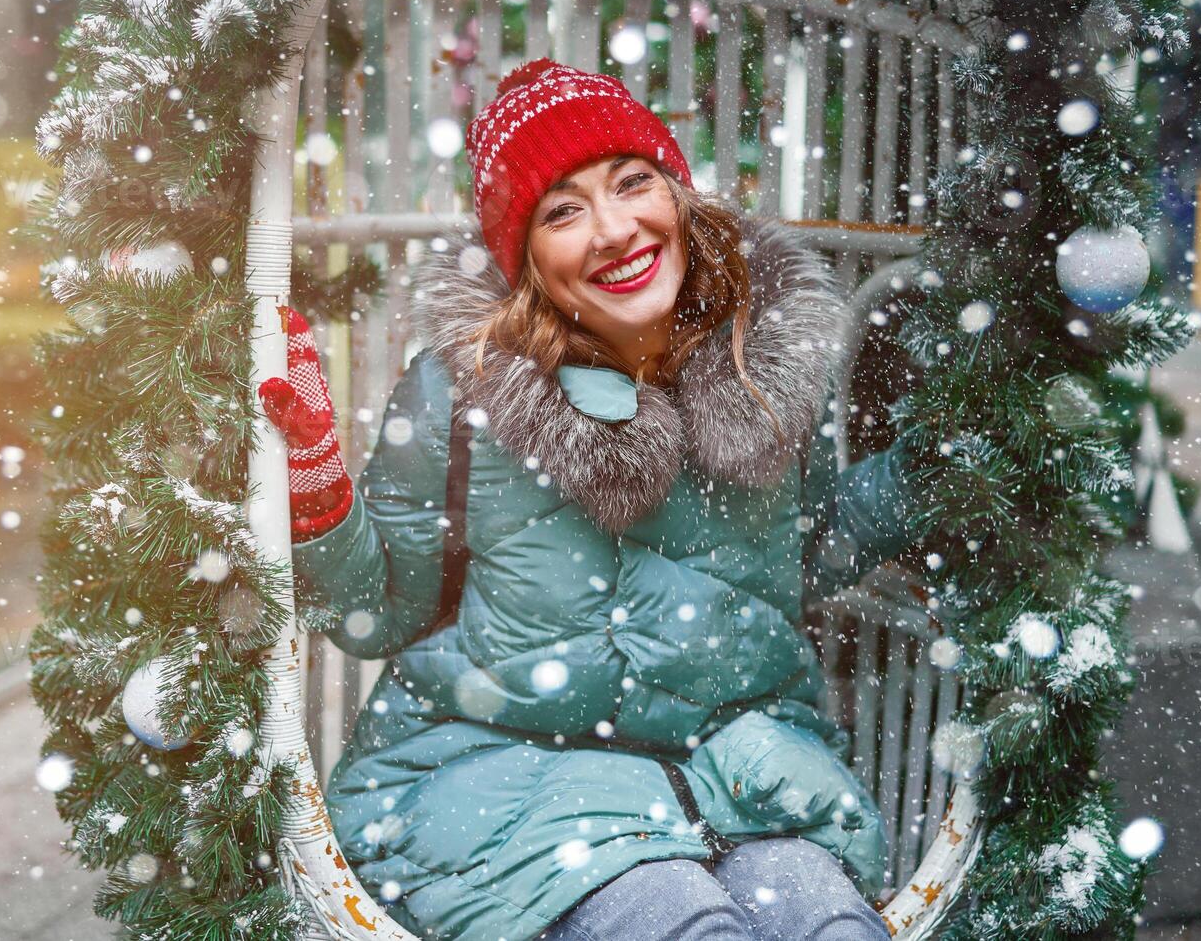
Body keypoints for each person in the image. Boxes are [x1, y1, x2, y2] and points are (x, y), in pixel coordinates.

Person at [258, 58, 919, 941]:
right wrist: (314, 483)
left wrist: (942, 463)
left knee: (830, 925)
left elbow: (805, 552)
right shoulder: (463, 395)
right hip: (517, 781)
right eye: (562, 212)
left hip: (747, 772)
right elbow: (378, 612)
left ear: (676, 196)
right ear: (524, 257)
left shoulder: (771, 368)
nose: (614, 229)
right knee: (684, 924)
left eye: (632, 183)